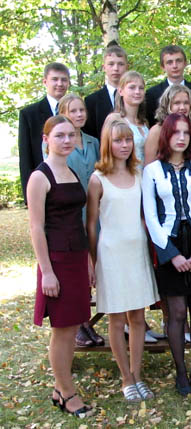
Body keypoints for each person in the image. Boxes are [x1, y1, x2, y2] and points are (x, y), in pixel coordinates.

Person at [86, 118, 160, 400]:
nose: (124, 145)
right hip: (111, 254)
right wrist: (93, 260)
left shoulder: (139, 174)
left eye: (128, 140)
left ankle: (137, 374)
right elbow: (91, 225)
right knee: (117, 319)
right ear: (108, 143)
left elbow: (145, 215)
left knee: (138, 318)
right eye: (118, 140)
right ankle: (126, 379)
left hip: (137, 252)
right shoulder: (98, 180)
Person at [142, 113, 191, 396]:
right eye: (176, 133)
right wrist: (172, 255)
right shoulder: (152, 171)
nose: (181, 138)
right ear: (166, 136)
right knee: (177, 312)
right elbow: (151, 216)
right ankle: (181, 373)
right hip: (168, 243)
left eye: (186, 132)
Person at [27, 115, 94, 418]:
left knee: (73, 324)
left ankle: (59, 389)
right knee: (63, 330)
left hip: (77, 256)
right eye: (59, 135)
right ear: (46, 140)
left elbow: (78, 220)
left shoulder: (70, 171)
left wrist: (88, 259)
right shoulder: (40, 177)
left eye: (71, 135)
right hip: (56, 260)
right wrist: (47, 272)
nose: (67, 140)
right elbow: (36, 228)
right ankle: (68, 393)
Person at [56, 93, 105, 348]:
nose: (78, 115)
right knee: (79, 272)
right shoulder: (60, 145)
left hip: (96, 212)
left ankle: (94, 321)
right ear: (63, 114)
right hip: (72, 213)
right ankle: (80, 325)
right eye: (73, 111)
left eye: (81, 110)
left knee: (97, 267)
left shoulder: (93, 142)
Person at [19, 62, 70, 200]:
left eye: (64, 79)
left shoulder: (77, 112)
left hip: (72, 184)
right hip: (43, 186)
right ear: (45, 82)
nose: (60, 84)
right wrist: (29, 198)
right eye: (55, 79)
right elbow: (26, 158)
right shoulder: (29, 114)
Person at [145, 45, 191, 126]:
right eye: (169, 62)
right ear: (163, 67)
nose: (175, 66)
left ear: (185, 63)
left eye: (178, 61)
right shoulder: (152, 94)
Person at [144, 84, 191, 165]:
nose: (182, 107)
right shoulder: (157, 131)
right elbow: (148, 165)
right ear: (167, 105)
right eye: (177, 103)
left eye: (186, 103)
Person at [84, 44, 129, 139]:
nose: (116, 68)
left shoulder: (137, 97)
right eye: (111, 64)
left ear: (127, 67)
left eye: (120, 64)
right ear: (104, 67)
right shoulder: (91, 101)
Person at [114, 71, 149, 164]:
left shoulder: (144, 122)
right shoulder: (115, 120)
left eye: (141, 88)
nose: (137, 92)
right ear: (121, 91)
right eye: (132, 87)